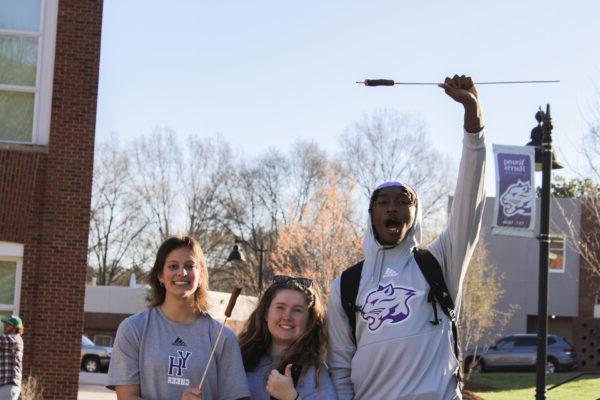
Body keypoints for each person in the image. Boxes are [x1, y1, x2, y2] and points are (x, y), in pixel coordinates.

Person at [327, 74, 486, 400]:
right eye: (383, 203)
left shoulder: (440, 262)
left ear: (416, 214)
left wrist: (474, 120)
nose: (392, 209)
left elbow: (470, 201)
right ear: (371, 214)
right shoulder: (347, 284)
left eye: (403, 201)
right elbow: (340, 368)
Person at [107, 235, 251, 400]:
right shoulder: (133, 329)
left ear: (201, 275)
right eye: (173, 266)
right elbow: (126, 397)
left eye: (190, 266)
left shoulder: (223, 338)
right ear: (160, 275)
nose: (182, 273)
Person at [238, 275, 337, 400]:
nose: (287, 316)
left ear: (309, 320)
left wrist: (290, 397)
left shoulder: (315, 374)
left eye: (297, 310)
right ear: (266, 313)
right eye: (280, 307)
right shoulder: (240, 359)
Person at [0, 315, 24, 400]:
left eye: (8, 324)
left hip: (9, 385)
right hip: (5, 385)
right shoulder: (6, 341)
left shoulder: (15, 339)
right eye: (5, 324)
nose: (4, 326)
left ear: (15, 327)